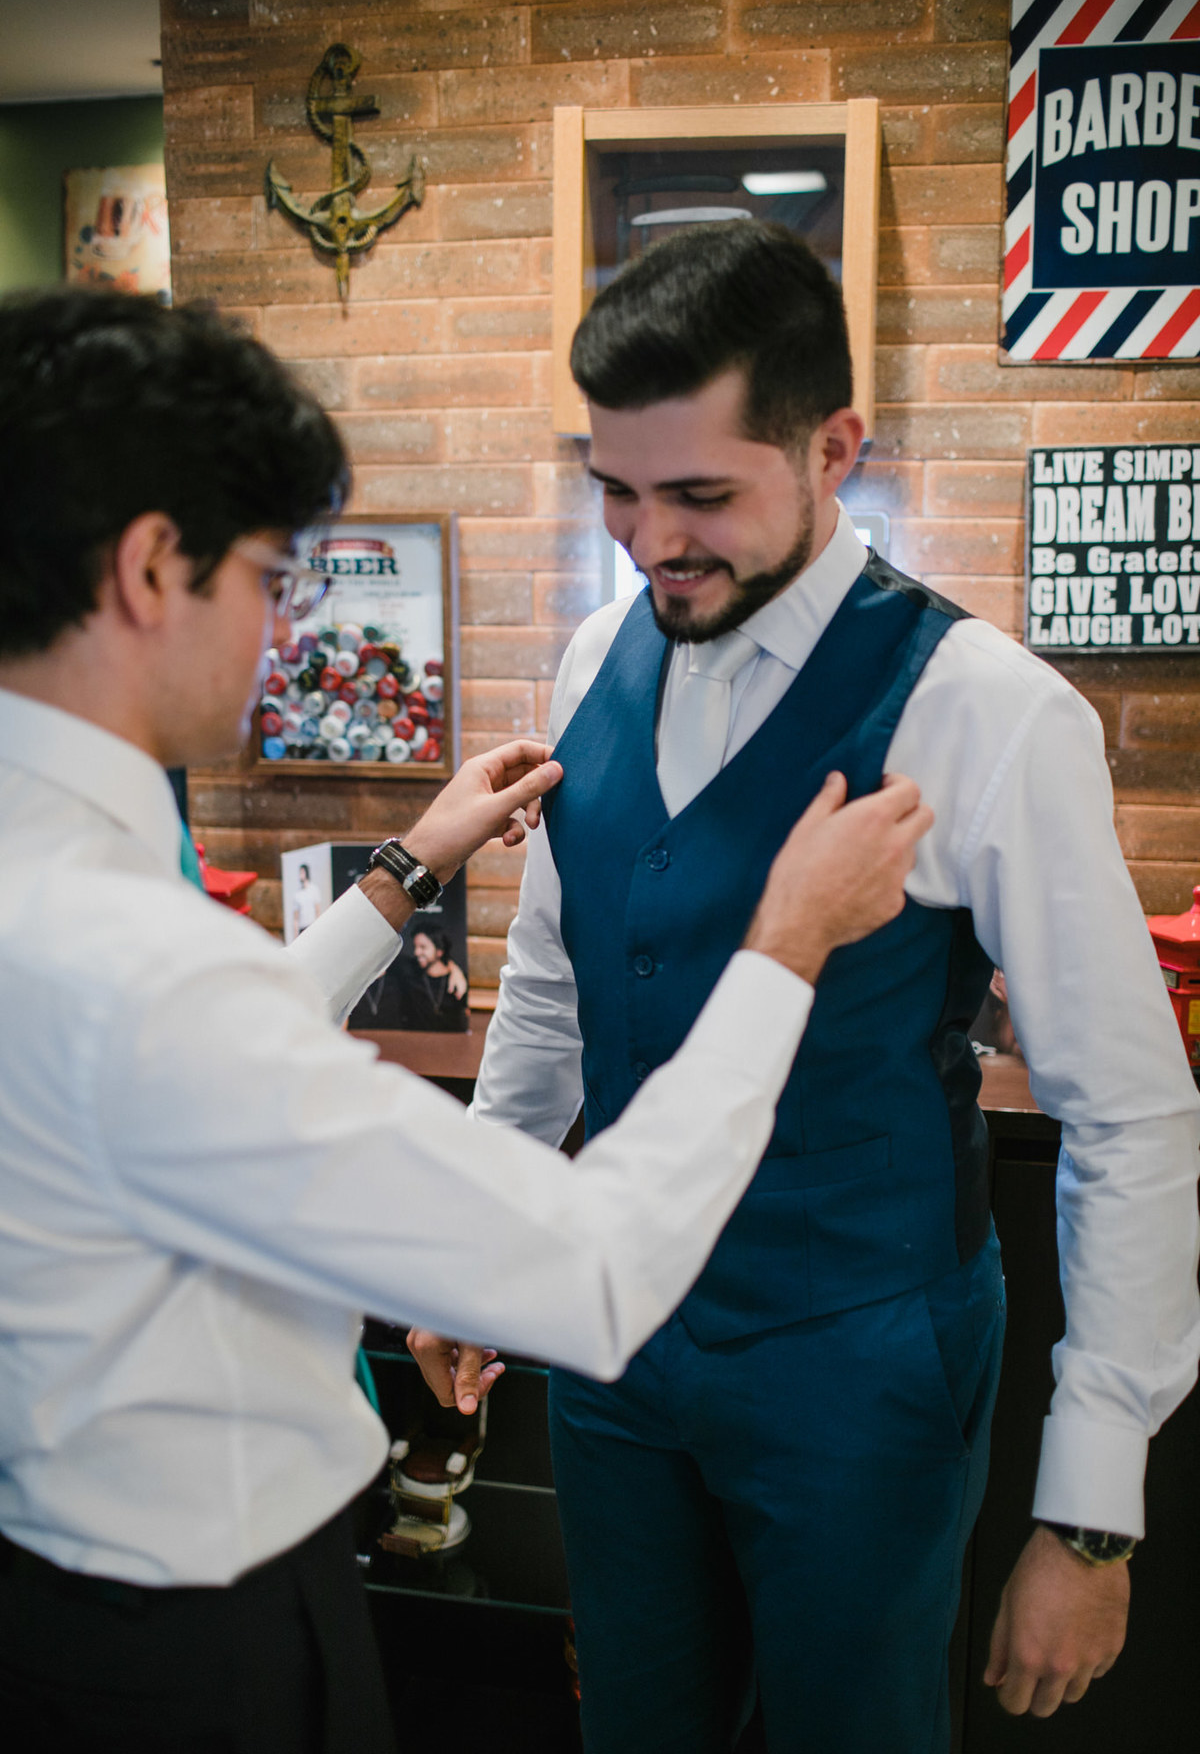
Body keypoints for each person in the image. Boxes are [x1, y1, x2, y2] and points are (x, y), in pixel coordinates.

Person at [0, 286, 932, 1754]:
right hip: (179, 1648)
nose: (280, 621)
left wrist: (407, 866)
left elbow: (179, 1071)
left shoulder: (50, 890)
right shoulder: (137, 966)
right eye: (265, 570)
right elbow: (595, 1269)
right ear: (148, 569)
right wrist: (785, 944)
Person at [408, 221, 1200, 1752]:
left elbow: (1131, 1117)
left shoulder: (989, 710)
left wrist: (1093, 1515)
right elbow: (560, 991)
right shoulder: (590, 659)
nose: (653, 543)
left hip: (862, 1365)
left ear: (836, 445)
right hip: (616, 1349)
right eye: (617, 493)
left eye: (702, 495)